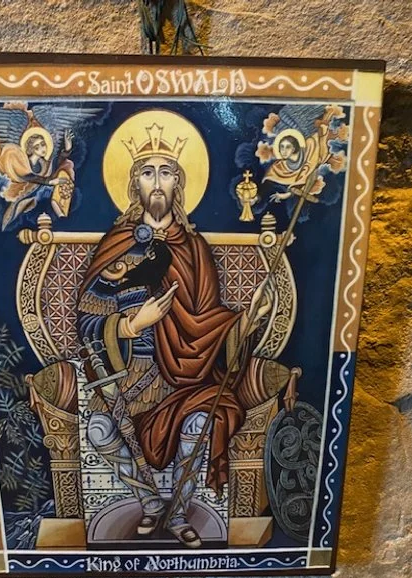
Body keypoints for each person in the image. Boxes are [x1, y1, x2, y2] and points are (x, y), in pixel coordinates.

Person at [77, 123, 274, 548]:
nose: (157, 182)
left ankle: (179, 512)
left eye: (166, 172)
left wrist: (244, 324)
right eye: (147, 172)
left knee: (200, 423)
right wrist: (132, 325)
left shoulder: (194, 248)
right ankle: (150, 502)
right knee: (98, 429)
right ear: (135, 185)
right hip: (125, 375)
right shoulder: (118, 245)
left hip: (186, 375)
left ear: (178, 184)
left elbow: (207, 319)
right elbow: (87, 319)